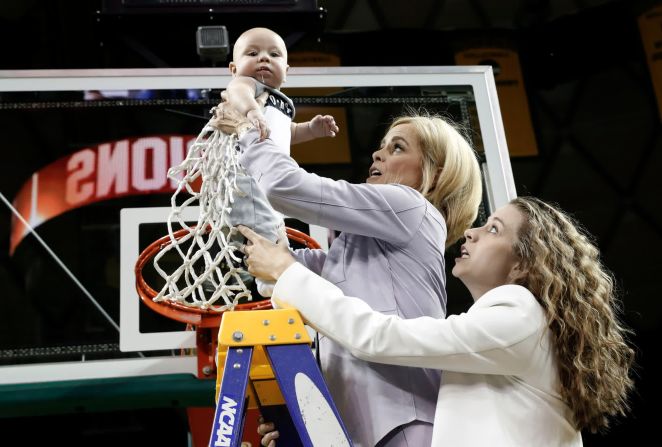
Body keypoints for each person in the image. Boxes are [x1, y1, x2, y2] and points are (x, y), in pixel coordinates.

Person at [238, 196, 636, 446]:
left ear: (521, 265)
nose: (472, 232)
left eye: (493, 228)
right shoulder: (501, 337)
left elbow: (378, 337)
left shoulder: (520, 313)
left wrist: (289, 272)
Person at [215, 96, 483, 446]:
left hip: (405, 422)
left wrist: (251, 129)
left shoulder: (412, 207)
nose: (377, 154)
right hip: (360, 430)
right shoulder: (351, 254)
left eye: (397, 148)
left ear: (436, 174)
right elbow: (274, 265)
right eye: (382, 146)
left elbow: (285, 186)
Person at [210, 26, 338, 297]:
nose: (264, 58)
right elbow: (238, 93)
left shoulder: (278, 105)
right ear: (234, 68)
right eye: (253, 53)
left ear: (287, 70)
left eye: (274, 54)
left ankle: (250, 272)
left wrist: (312, 130)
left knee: (269, 226)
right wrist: (251, 110)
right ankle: (269, 282)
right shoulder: (248, 86)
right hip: (246, 180)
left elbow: (285, 132)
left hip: (266, 183)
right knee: (267, 232)